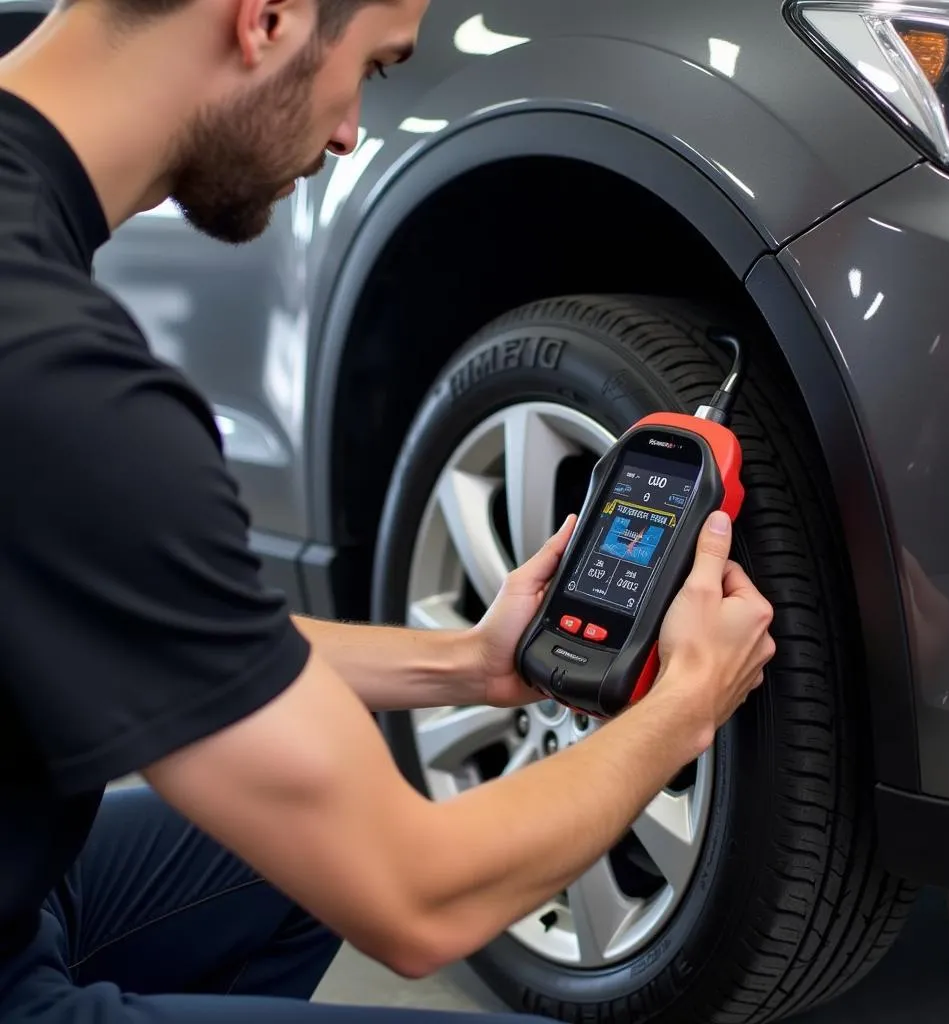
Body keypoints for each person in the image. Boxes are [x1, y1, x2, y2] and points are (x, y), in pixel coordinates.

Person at [0, 0, 777, 1020]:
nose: (348, 131)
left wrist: (464, 663)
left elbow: (147, 619)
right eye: (371, 66)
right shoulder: (62, 380)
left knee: (289, 864)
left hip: (27, 889)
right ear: (267, 18)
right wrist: (687, 703)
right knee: (358, 851)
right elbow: (414, 902)